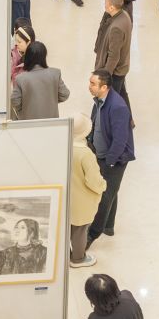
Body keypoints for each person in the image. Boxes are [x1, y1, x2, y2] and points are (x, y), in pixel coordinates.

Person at [88, 70, 133, 242]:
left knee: (104, 196)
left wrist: (110, 162)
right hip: (101, 154)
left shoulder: (118, 107)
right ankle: (109, 226)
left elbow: (120, 140)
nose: (89, 86)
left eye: (93, 84)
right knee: (111, 190)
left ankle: (93, 234)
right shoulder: (99, 100)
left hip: (114, 159)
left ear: (104, 87)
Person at [68, 115, 104, 270]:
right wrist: (103, 186)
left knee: (68, 227)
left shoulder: (63, 145)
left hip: (66, 196)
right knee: (80, 229)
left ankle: (66, 253)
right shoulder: (85, 154)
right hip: (81, 199)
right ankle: (78, 258)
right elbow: (93, 180)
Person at [10, 38, 69, 121]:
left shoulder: (20, 78)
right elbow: (65, 94)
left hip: (28, 124)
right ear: (44, 56)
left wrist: (26, 108)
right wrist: (50, 101)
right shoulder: (55, 73)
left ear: (28, 57)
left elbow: (15, 101)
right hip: (52, 123)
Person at [93, 0, 132, 105]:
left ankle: (97, 118)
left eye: (106, 3)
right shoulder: (124, 14)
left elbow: (113, 56)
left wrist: (104, 77)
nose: (104, 5)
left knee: (106, 101)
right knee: (121, 95)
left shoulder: (116, 28)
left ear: (112, 7)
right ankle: (128, 117)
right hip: (122, 67)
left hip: (115, 72)